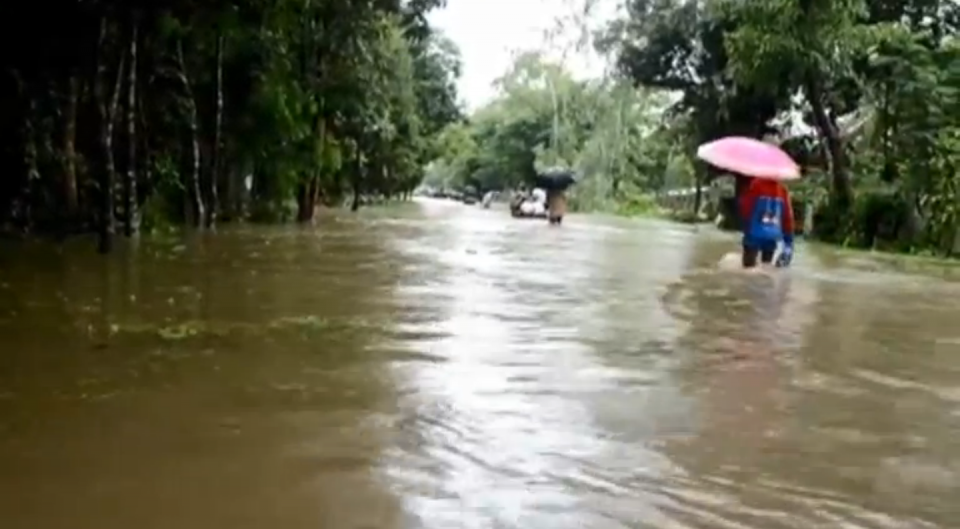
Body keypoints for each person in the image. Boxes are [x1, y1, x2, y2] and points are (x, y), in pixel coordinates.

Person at [739, 177, 795, 268]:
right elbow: (787, 216)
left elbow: (745, 208)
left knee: (748, 268)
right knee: (766, 267)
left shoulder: (755, 185)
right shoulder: (782, 190)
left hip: (753, 234)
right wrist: (789, 240)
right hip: (772, 235)